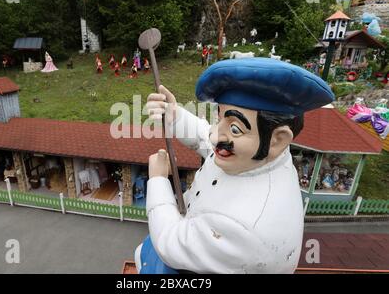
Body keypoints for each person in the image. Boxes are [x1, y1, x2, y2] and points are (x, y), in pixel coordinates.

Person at [136, 58, 335, 274]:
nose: (215, 137)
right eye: (220, 117)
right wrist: (175, 115)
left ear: (278, 139)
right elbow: (208, 138)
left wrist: (157, 181)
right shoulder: (262, 153)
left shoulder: (243, 226)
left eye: (235, 129)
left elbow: (170, 244)